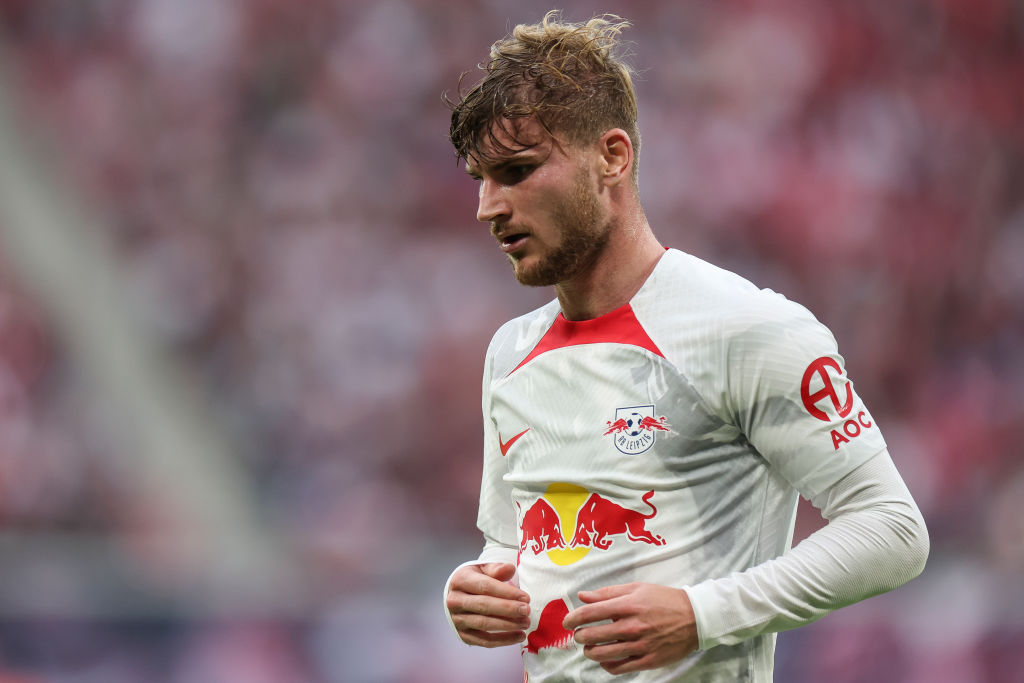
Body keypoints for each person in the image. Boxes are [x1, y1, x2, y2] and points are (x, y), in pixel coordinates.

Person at [441, 11, 928, 682]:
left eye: (517, 171)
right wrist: (478, 585)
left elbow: (892, 529)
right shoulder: (510, 353)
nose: (488, 207)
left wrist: (701, 613)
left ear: (613, 157)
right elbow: (511, 542)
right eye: (481, 178)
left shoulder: (747, 328)